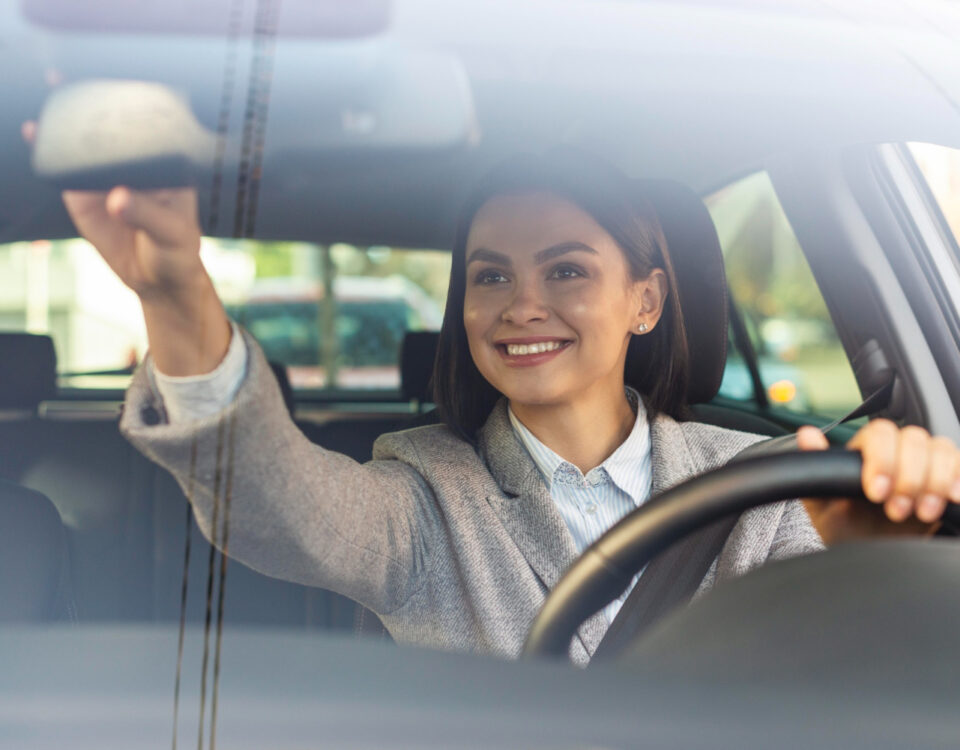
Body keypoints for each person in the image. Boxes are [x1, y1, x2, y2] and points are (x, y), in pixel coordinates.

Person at [64, 152, 960, 665]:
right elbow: (276, 504)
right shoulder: (424, 492)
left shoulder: (764, 483)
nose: (520, 305)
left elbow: (832, 674)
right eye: (490, 275)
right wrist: (178, 298)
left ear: (644, 301)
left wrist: (872, 562)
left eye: (565, 270)